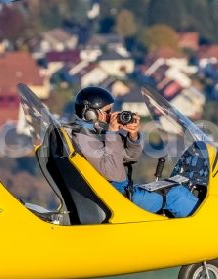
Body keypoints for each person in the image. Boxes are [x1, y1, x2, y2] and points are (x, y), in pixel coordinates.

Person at [69, 86, 166, 214]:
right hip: (115, 197)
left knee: (172, 189)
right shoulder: (83, 139)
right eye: (108, 111)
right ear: (90, 114)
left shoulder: (96, 133)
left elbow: (131, 155)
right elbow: (113, 173)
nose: (112, 115)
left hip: (118, 192)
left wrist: (133, 135)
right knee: (175, 195)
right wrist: (113, 133)